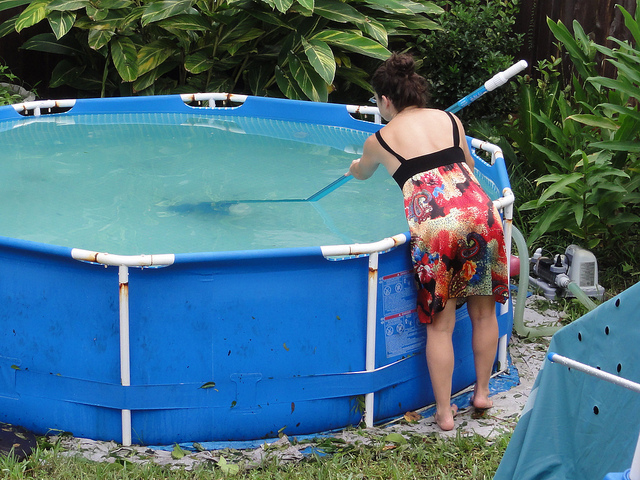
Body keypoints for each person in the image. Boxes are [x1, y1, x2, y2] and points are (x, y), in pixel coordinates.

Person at [348, 53, 509, 431]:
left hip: (437, 227)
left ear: (386, 100)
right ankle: (482, 393)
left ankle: (443, 412)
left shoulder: (380, 139)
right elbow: (466, 166)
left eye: (376, 100)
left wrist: (353, 169)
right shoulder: (450, 120)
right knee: (484, 312)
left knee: (441, 325)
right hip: (482, 214)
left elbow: (362, 172)